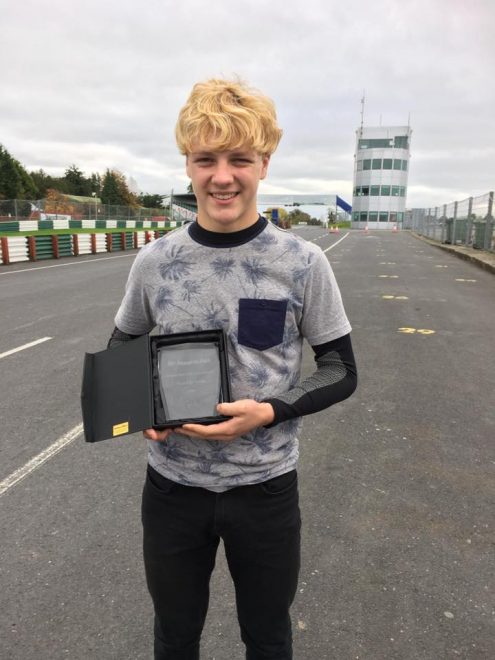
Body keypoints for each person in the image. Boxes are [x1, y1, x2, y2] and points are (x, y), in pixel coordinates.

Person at [108, 78, 357, 660]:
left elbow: (341, 368)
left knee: (267, 637)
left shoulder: (302, 263)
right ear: (188, 166)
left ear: (264, 164)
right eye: (206, 159)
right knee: (174, 635)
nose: (223, 176)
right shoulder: (155, 261)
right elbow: (122, 346)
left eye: (239, 159)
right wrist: (137, 407)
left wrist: (271, 411)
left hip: (265, 488)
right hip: (173, 489)